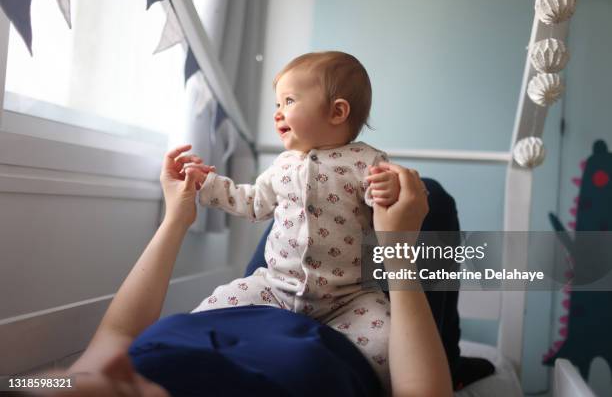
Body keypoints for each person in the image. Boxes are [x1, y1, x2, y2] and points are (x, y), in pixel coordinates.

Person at [17, 144, 450, 396]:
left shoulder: (107, 368)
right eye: (123, 391)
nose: (112, 362)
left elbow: (116, 337)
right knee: (429, 198)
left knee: (310, 194)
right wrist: (398, 250)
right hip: (351, 317)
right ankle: (454, 345)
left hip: (264, 292)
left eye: (71, 380)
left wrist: (178, 217)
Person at [191, 51, 402, 387]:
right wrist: (207, 184)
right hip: (275, 286)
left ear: (337, 112)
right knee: (214, 308)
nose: (277, 113)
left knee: (388, 345)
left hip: (349, 296)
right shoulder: (283, 164)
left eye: (288, 101)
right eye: (277, 104)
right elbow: (253, 202)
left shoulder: (367, 161)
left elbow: (388, 209)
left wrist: (391, 187)